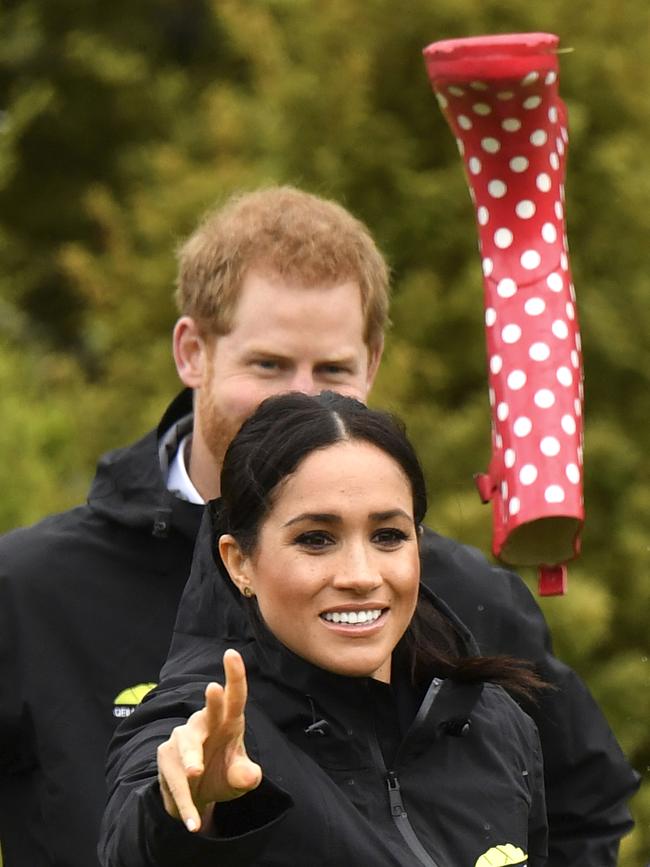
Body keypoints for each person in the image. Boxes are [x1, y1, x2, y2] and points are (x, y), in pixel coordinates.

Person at [0, 186, 639, 867]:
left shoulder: (457, 598)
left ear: (374, 361)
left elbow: (581, 810)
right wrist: (182, 805)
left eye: (332, 369)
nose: (300, 397)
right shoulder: (31, 587)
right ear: (192, 351)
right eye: (269, 364)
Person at [100, 391, 549, 867]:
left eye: (387, 536)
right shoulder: (206, 722)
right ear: (239, 562)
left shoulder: (494, 723)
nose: (360, 575)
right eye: (316, 539)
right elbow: (135, 842)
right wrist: (187, 811)